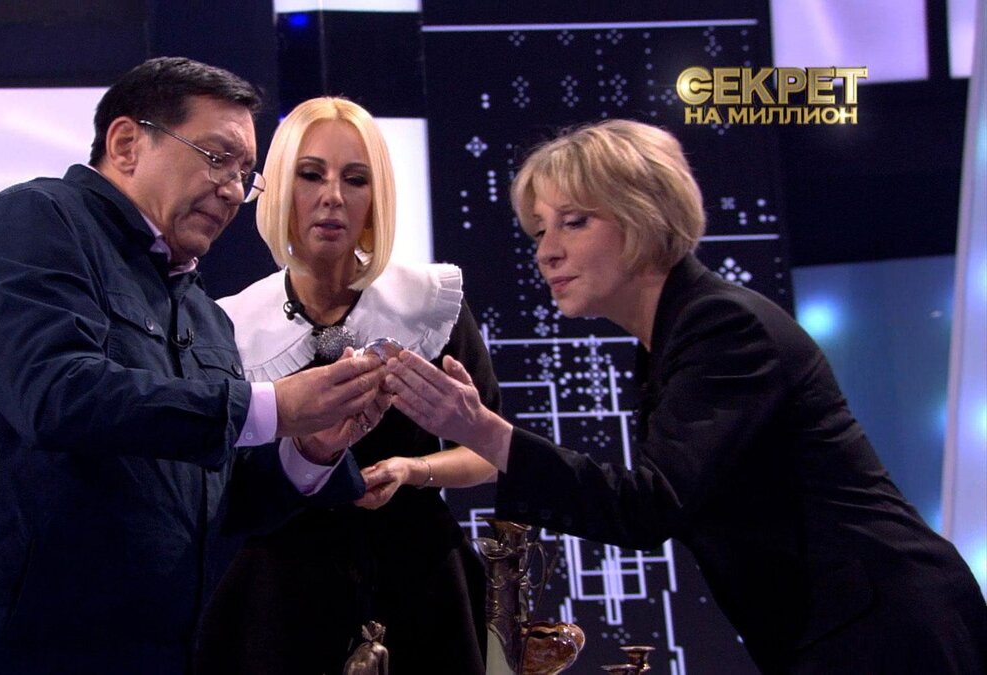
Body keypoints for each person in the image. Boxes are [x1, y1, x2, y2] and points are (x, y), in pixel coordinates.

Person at [384, 119, 987, 673]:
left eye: (574, 222)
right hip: (840, 631)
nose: (546, 251)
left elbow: (648, 507)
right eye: (540, 230)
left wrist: (485, 432)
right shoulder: (672, 336)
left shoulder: (723, 326)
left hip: (888, 631)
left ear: (643, 215)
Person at [0, 58, 390, 674]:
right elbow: (56, 395)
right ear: (127, 143)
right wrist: (274, 405)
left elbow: (209, 502)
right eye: (216, 158)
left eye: (244, 174)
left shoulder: (204, 314)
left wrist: (308, 447)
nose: (232, 190)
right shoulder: (32, 223)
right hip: (0, 639)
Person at [195, 97, 500, 674]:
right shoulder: (230, 325)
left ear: (375, 198)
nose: (332, 196)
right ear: (279, 190)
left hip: (421, 583)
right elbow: (217, 488)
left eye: (355, 179)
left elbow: (490, 452)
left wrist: (414, 470)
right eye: (311, 175)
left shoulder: (429, 306)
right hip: (277, 596)